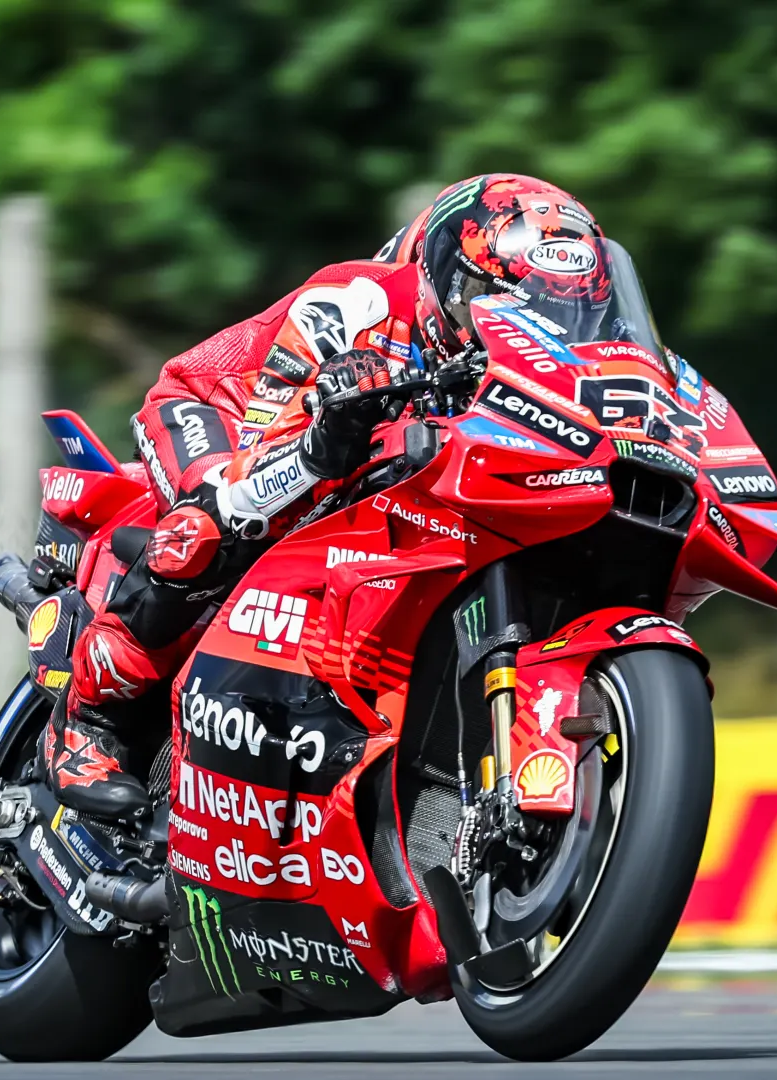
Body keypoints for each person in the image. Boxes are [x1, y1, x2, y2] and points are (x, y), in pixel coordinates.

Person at [40, 173, 615, 818]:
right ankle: (84, 724)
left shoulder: (557, 363)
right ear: (445, 279)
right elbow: (257, 452)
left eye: (555, 314)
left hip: (347, 455)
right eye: (488, 302)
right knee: (213, 525)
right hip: (221, 410)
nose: (515, 329)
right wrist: (324, 439)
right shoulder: (356, 301)